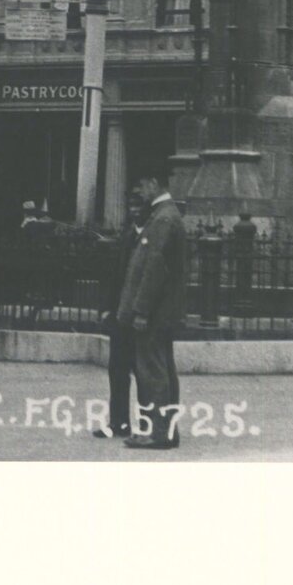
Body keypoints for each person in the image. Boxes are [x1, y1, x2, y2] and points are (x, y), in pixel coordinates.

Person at [119, 179, 188, 450]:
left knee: (152, 372)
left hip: (154, 313)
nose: (139, 194)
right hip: (163, 311)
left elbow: (154, 269)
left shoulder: (162, 219)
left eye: (141, 188)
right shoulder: (167, 216)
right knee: (163, 370)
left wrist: (140, 310)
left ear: (152, 184)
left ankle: (156, 432)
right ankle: (167, 430)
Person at [92, 186, 149, 440]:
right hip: (119, 316)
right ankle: (118, 422)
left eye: (139, 206)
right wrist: (106, 308)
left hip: (139, 317)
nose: (134, 211)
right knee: (117, 370)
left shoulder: (150, 236)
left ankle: (146, 425)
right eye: (132, 206)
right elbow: (114, 276)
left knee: (143, 372)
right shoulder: (127, 236)